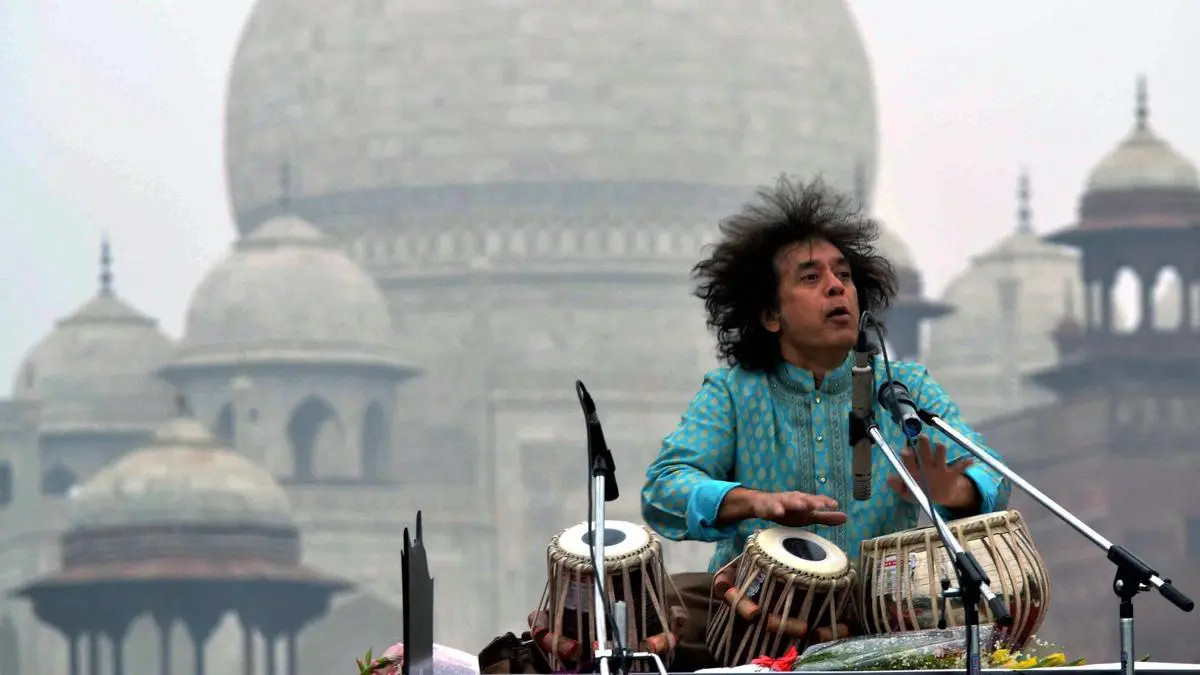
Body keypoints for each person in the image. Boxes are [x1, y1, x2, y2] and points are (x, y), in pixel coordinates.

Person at [640, 176, 1011, 670]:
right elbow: (664, 490)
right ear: (771, 314)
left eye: (844, 275)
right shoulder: (734, 392)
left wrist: (955, 490)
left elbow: (993, 476)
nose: (837, 286)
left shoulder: (903, 389)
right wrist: (756, 502)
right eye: (811, 278)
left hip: (880, 620)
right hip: (755, 627)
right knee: (652, 619)